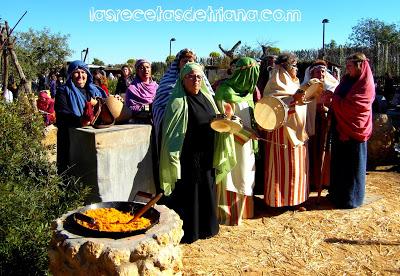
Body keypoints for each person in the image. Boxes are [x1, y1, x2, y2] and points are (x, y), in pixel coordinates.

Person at [159, 62, 235, 243]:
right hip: (188, 155)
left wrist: (226, 117)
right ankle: (191, 231)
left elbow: (216, 120)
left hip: (206, 152)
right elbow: (171, 135)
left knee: (207, 188)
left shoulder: (208, 98)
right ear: (183, 79)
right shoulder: (177, 103)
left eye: (199, 77)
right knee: (190, 191)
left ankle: (208, 227)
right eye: (191, 76)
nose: (195, 80)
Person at [215, 57, 260, 225]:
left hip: (248, 144)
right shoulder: (225, 91)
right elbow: (225, 121)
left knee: (245, 175)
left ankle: (245, 212)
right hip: (231, 143)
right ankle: (228, 215)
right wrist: (247, 133)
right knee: (232, 176)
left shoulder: (248, 93)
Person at [326, 53, 375, 209]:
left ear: (359, 65)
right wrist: (332, 100)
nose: (347, 69)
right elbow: (339, 98)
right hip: (340, 127)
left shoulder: (365, 84)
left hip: (355, 130)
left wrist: (334, 99)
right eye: (346, 65)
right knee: (339, 164)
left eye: (349, 66)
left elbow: (356, 107)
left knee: (352, 167)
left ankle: (351, 199)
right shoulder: (346, 80)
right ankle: (337, 194)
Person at [262, 52, 310, 208]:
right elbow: (272, 105)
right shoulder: (275, 82)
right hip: (281, 134)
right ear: (285, 67)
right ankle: (277, 201)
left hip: (297, 131)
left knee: (296, 167)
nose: (296, 68)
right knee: (280, 168)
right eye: (294, 65)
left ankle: (295, 200)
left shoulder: (294, 82)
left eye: (296, 65)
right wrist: (292, 100)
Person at [152, 48, 214, 153]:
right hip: (178, 139)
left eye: (191, 61)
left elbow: (211, 103)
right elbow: (159, 107)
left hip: (203, 139)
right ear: (178, 64)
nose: (187, 64)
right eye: (185, 61)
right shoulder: (167, 83)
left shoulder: (201, 83)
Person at [55, 60, 106, 174]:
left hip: (91, 139)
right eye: (76, 72)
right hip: (69, 138)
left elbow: (104, 105)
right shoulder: (63, 91)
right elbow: (63, 113)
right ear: (71, 75)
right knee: (70, 171)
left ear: (87, 74)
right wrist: (80, 121)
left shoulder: (93, 90)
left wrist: (113, 101)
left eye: (83, 72)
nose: (80, 76)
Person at [301, 60, 339, 192]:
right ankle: (312, 181)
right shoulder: (305, 87)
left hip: (327, 124)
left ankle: (325, 180)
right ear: (311, 73)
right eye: (317, 71)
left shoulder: (333, 86)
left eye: (323, 71)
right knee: (312, 151)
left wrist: (327, 108)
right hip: (311, 124)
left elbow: (338, 104)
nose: (321, 73)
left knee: (326, 151)